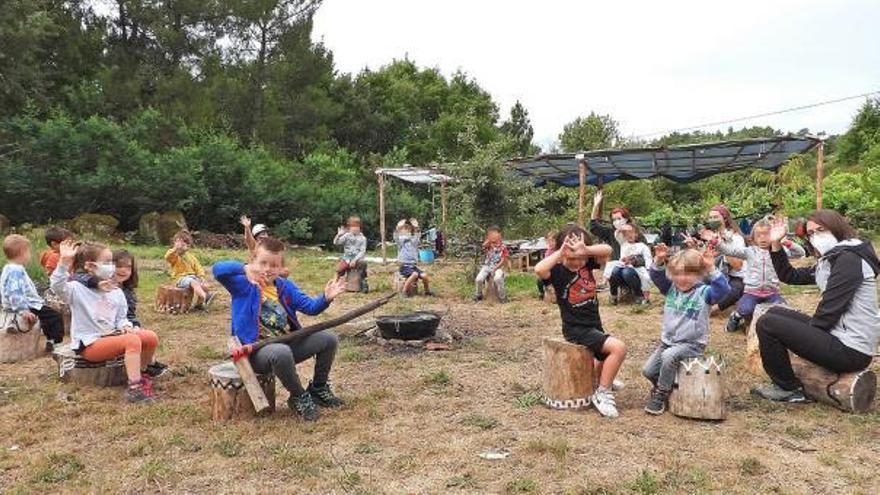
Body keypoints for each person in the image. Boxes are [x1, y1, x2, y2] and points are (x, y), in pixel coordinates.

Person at [751, 211, 880, 403]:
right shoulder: (833, 259)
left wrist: (803, 339)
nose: (816, 236)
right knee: (775, 312)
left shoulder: (849, 260)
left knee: (768, 324)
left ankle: (787, 389)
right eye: (811, 233)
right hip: (840, 336)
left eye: (821, 230)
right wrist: (776, 244)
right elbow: (790, 276)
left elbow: (830, 310)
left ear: (837, 228)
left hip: (852, 350)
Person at [213, 238, 347, 421]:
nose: (268, 269)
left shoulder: (285, 287)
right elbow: (218, 270)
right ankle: (298, 396)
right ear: (254, 261)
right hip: (255, 353)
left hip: (287, 345)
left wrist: (326, 298)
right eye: (263, 263)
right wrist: (244, 268)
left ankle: (318, 388)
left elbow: (310, 307)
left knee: (328, 338)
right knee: (281, 352)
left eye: (274, 265)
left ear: (281, 268)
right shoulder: (243, 284)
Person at [51, 240, 160, 403]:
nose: (112, 267)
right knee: (132, 341)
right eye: (107, 262)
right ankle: (134, 388)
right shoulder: (76, 289)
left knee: (150, 337)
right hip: (89, 344)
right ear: (90, 266)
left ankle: (142, 371)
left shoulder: (116, 291)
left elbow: (121, 318)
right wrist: (63, 263)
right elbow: (57, 286)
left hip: (110, 338)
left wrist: (125, 327)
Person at [534, 224, 626, 418]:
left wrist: (586, 251)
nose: (577, 262)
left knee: (602, 360)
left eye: (581, 258)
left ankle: (600, 381)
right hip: (575, 329)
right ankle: (602, 393)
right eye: (572, 257)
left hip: (593, 323)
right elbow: (539, 269)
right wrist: (559, 253)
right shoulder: (557, 271)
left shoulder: (587, 263)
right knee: (618, 348)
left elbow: (608, 250)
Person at [643, 244, 730, 414]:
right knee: (648, 370)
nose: (682, 278)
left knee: (669, 356)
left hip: (692, 344)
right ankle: (672, 384)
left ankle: (661, 394)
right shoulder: (670, 289)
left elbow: (723, 289)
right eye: (677, 274)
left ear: (699, 274)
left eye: (688, 273)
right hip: (668, 342)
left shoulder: (704, 293)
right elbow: (656, 275)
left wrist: (711, 267)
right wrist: (659, 260)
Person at [75, 250, 169, 377]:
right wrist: (95, 282)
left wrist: (131, 326)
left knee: (149, 336)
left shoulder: (123, 293)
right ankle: (135, 384)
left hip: (115, 331)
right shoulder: (87, 286)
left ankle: (146, 366)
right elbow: (76, 277)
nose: (123, 270)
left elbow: (126, 316)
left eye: (128, 267)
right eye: (119, 266)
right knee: (132, 340)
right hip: (92, 338)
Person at [708, 217, 805, 332]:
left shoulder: (779, 251)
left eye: (766, 234)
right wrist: (717, 243)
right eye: (759, 235)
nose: (763, 238)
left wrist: (786, 242)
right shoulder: (750, 251)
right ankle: (736, 316)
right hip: (752, 292)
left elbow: (800, 253)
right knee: (745, 308)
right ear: (753, 238)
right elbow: (731, 251)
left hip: (772, 292)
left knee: (782, 309)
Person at [1, 234, 65, 351]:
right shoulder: (16, 270)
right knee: (55, 316)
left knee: (46, 317)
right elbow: (15, 291)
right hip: (28, 304)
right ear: (22, 252)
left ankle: (50, 340)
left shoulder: (8, 268)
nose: (29, 255)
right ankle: (57, 342)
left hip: (21, 304)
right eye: (28, 252)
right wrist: (22, 309)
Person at [685, 204, 746, 314]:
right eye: (710, 218)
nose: (712, 220)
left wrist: (722, 244)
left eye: (716, 217)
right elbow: (706, 258)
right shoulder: (711, 235)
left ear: (725, 218)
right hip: (718, 272)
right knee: (692, 278)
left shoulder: (736, 238)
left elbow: (738, 266)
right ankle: (690, 303)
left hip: (735, 276)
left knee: (735, 290)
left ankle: (710, 310)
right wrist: (693, 246)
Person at [164, 230, 214, 310]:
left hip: (192, 277)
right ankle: (205, 297)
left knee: (205, 286)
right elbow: (168, 257)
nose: (181, 246)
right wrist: (175, 249)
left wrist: (202, 277)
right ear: (174, 244)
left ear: (188, 246)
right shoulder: (175, 256)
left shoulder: (191, 257)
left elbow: (198, 268)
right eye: (178, 243)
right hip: (180, 278)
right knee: (194, 282)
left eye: (184, 244)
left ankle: (199, 304)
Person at [604, 224, 653, 306]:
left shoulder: (642, 246)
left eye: (631, 233)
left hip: (635, 268)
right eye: (626, 233)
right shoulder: (623, 243)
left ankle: (642, 297)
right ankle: (613, 295)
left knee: (643, 277)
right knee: (613, 269)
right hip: (621, 265)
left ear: (636, 234)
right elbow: (617, 234)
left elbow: (648, 258)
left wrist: (648, 268)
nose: (629, 235)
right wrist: (622, 227)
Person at [394, 219, 433, 296]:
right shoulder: (400, 244)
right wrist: (398, 227)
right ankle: (404, 292)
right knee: (415, 274)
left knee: (425, 276)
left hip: (413, 266)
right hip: (404, 266)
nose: (406, 232)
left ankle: (427, 292)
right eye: (404, 230)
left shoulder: (413, 242)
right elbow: (396, 237)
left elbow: (417, 235)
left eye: (408, 230)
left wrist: (416, 227)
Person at [474, 226, 509, 302]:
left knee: (498, 278)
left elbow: (504, 260)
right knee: (479, 279)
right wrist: (489, 240)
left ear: (499, 235)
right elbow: (483, 246)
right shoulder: (489, 245)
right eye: (491, 234)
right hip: (487, 266)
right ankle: (478, 294)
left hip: (498, 267)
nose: (493, 236)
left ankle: (502, 297)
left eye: (495, 234)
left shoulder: (503, 247)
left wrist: (495, 268)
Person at [333, 216, 368, 292]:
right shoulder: (347, 235)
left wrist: (355, 260)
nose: (355, 228)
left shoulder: (363, 238)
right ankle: (335, 284)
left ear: (360, 227)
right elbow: (336, 243)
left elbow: (362, 251)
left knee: (363, 265)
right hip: (347, 258)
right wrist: (338, 235)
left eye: (356, 226)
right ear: (349, 227)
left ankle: (363, 283)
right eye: (353, 226)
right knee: (339, 270)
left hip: (358, 259)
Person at [536, 230, 557, 299]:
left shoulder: (558, 251)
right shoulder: (548, 252)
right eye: (548, 241)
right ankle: (541, 293)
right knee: (539, 279)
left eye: (552, 241)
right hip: (549, 272)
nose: (550, 243)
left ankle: (554, 293)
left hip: (557, 272)